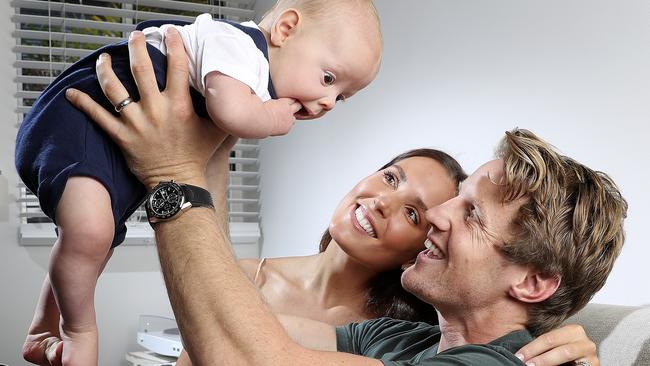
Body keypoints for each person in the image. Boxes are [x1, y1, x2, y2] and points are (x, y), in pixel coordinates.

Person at [64, 29, 619, 366]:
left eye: (471, 213)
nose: (438, 219)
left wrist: (170, 174)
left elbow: (245, 358)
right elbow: (234, 328)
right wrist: (212, 143)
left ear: (532, 281)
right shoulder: (404, 340)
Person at [17, 1, 382, 365]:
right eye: (329, 79)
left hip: (118, 147)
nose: (329, 103)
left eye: (342, 97)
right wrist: (269, 118)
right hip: (80, 122)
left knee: (93, 246)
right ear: (285, 29)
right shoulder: (238, 46)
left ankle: (42, 327)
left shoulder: (249, 74)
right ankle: (79, 331)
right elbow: (230, 110)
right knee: (91, 234)